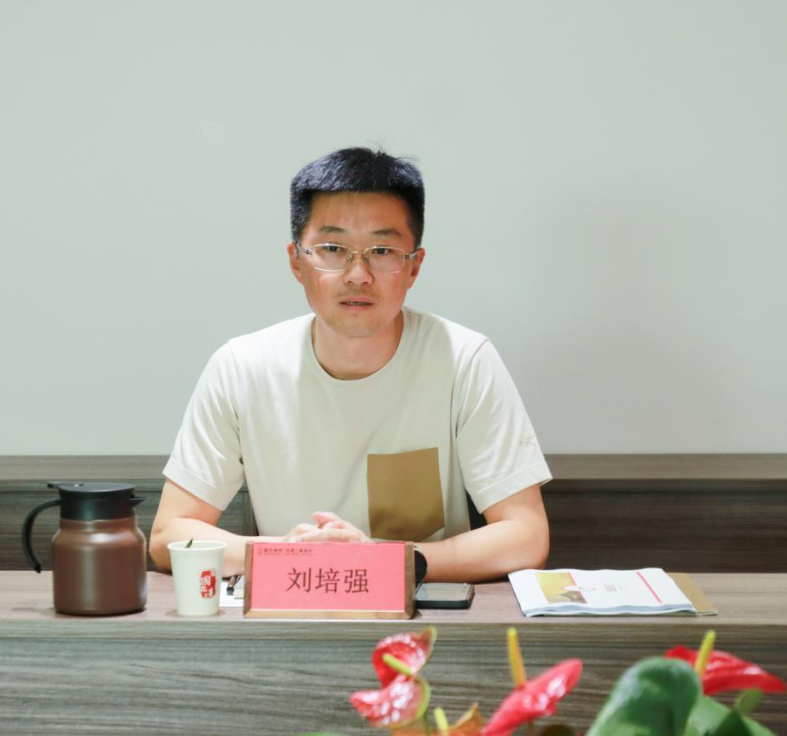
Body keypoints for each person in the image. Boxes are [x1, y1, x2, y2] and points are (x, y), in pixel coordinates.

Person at [149, 147, 551, 582]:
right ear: (296, 261)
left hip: (418, 609)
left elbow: (526, 536)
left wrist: (387, 561)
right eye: (332, 248)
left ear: (413, 267)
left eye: (382, 250)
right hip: (291, 605)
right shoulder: (242, 367)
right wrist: (289, 554)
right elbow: (170, 533)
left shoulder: (464, 359)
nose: (358, 274)